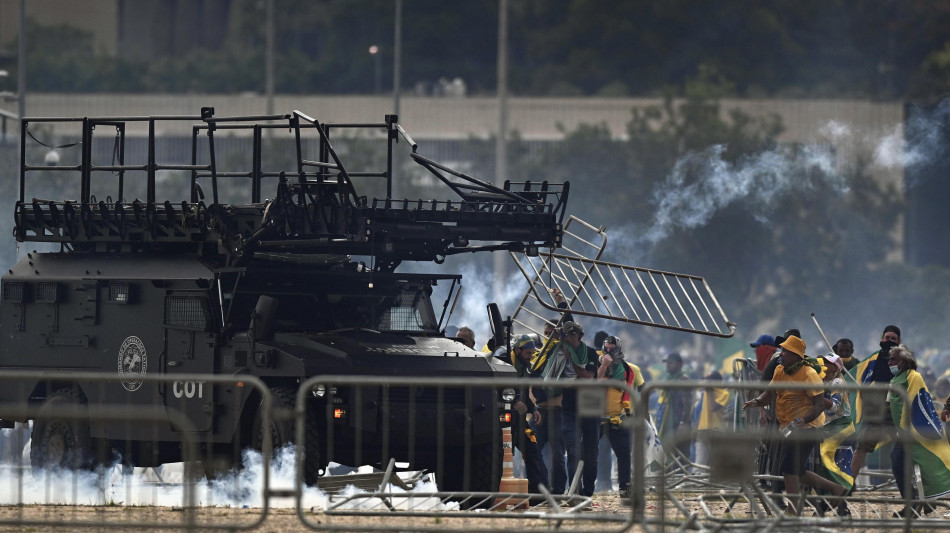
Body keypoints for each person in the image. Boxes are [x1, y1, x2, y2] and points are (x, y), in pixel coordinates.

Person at [742, 335, 849, 516]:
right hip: (788, 427)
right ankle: (836, 489)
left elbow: (819, 404)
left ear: (795, 354)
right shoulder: (780, 370)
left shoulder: (808, 374)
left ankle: (793, 508)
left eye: (785, 350)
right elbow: (770, 393)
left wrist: (803, 420)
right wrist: (757, 402)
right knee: (795, 470)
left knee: (789, 467)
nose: (781, 353)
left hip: (808, 428)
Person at [886, 344, 950, 515]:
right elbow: (889, 406)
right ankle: (914, 503)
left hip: (916, 431)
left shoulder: (914, 377)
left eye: (894, 359)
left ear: (904, 362)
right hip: (902, 432)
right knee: (899, 465)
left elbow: (913, 402)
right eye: (890, 359)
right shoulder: (893, 380)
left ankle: (923, 503)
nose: (890, 362)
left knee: (925, 465)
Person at [850, 325, 901, 486]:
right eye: (887, 338)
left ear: (899, 341)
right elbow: (861, 378)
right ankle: (847, 486)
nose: (890, 341)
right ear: (881, 339)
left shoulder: (904, 360)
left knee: (904, 452)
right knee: (861, 448)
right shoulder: (873, 360)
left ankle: (915, 490)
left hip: (897, 412)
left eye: (893, 339)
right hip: (877, 412)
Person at [557, 321, 600, 498]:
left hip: (590, 410)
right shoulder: (559, 354)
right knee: (573, 452)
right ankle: (575, 491)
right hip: (569, 410)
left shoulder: (589, 353)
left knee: (590, 456)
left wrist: (571, 359)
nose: (564, 339)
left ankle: (587, 493)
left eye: (566, 335)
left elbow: (588, 376)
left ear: (576, 336)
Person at [509, 335, 550, 493]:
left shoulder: (525, 367)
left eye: (533, 353)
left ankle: (536, 493)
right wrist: (512, 402)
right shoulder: (504, 362)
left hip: (518, 419)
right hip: (501, 420)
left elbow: (524, 393)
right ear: (517, 349)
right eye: (528, 353)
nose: (530, 357)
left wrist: (533, 409)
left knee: (532, 450)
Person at [596, 335, 633, 499]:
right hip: (596, 418)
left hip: (617, 419)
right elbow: (592, 381)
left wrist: (629, 414)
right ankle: (582, 488)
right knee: (587, 454)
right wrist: (604, 365)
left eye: (612, 347)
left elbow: (628, 391)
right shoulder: (596, 362)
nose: (609, 350)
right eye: (607, 347)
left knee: (624, 454)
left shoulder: (626, 368)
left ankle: (625, 488)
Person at [816, 353, 855, 499]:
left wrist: (816, 397)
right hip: (829, 427)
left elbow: (834, 408)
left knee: (824, 456)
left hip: (841, 427)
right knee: (827, 463)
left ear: (835, 367)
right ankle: (839, 504)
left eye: (827, 362)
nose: (823, 364)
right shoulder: (820, 382)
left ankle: (839, 490)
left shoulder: (837, 382)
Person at [656, 352, 693, 464]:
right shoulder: (668, 379)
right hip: (669, 423)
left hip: (679, 424)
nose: (667, 365)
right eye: (667, 363)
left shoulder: (683, 380)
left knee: (681, 455)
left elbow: (687, 403)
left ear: (679, 365)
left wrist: (683, 422)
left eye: (670, 363)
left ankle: (683, 480)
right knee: (669, 453)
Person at [694, 370, 729, 469]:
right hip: (703, 429)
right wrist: (696, 426)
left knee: (716, 462)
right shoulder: (706, 392)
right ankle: (698, 482)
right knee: (700, 462)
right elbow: (703, 411)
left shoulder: (724, 394)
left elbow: (713, 408)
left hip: (717, 430)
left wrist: (709, 391)